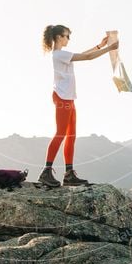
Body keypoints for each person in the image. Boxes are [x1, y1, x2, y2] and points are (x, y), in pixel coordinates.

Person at [38, 24, 119, 187]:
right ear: (59, 37)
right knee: (61, 134)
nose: (69, 39)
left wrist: (101, 45)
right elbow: (87, 58)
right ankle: (46, 172)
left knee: (71, 136)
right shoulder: (59, 54)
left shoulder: (63, 54)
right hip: (62, 99)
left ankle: (69, 174)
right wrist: (109, 48)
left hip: (68, 99)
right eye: (67, 36)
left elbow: (83, 55)